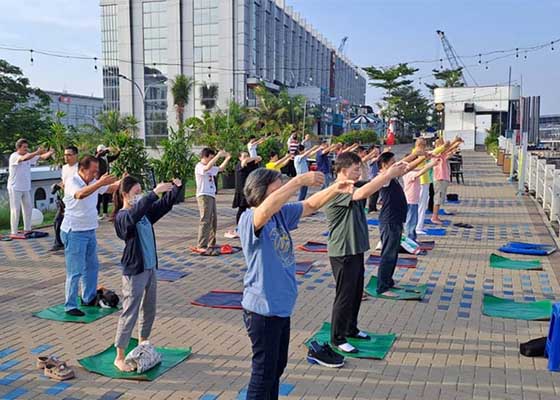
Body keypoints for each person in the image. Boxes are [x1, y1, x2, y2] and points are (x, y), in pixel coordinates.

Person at [239, 168, 355, 399]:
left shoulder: (280, 213)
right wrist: (298, 180)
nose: (284, 192)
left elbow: (310, 205)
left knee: (275, 370)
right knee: (263, 375)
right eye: (277, 187)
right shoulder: (249, 218)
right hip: (262, 310)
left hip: (281, 308)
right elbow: (264, 211)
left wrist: (335, 188)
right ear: (262, 191)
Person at [325, 152, 408, 353]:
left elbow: (372, 184)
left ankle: (351, 328)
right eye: (355, 169)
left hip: (356, 248)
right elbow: (362, 194)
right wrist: (388, 174)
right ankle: (337, 337)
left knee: (355, 293)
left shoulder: (354, 185)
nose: (358, 172)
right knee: (344, 295)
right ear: (343, 170)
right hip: (342, 250)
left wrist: (405, 163)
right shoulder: (335, 191)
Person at [112, 175, 182, 371]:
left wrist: (175, 189)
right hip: (135, 271)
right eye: (136, 192)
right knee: (130, 311)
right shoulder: (122, 217)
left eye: (140, 192)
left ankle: (144, 343)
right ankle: (119, 355)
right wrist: (153, 194)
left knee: (149, 308)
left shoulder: (143, 213)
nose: (139, 195)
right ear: (125, 195)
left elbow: (162, 206)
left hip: (150, 268)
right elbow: (132, 217)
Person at [61, 156, 120, 316]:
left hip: (89, 230)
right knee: (75, 271)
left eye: (97, 172)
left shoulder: (93, 182)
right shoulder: (72, 181)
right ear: (82, 169)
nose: (95, 174)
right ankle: (70, 305)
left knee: (92, 267)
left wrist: (121, 182)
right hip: (74, 232)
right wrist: (100, 182)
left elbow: (109, 189)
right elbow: (80, 195)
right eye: (93, 171)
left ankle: (88, 298)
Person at [376, 152, 424, 297]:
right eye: (393, 162)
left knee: (393, 253)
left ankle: (388, 281)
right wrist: (418, 155)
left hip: (396, 220)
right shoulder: (384, 178)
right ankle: (382, 288)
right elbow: (404, 166)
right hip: (389, 220)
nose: (396, 164)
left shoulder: (391, 176)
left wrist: (421, 156)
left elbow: (405, 166)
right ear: (385, 165)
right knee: (388, 254)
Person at [7, 139, 54, 236]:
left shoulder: (29, 156)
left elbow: (41, 157)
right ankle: (14, 232)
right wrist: (37, 151)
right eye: (24, 147)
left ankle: (27, 229)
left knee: (28, 208)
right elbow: (24, 158)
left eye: (26, 147)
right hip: (14, 187)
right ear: (18, 148)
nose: (26, 149)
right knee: (15, 209)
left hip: (26, 187)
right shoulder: (14, 156)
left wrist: (50, 152)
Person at [194, 148, 231, 255]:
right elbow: (207, 167)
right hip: (203, 195)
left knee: (213, 220)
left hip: (211, 195)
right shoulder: (200, 166)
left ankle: (211, 242)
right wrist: (218, 155)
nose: (212, 159)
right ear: (204, 157)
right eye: (210, 157)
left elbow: (220, 168)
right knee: (205, 219)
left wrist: (227, 158)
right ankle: (201, 244)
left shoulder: (209, 166)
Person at [225, 151, 262, 239]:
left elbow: (259, 158)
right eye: (244, 156)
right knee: (242, 210)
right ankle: (239, 229)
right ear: (239, 158)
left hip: (250, 191)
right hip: (241, 192)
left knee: (252, 210)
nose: (246, 158)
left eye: (247, 156)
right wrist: (249, 158)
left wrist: (252, 158)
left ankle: (250, 227)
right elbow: (244, 162)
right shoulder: (239, 165)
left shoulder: (250, 164)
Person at [50, 146, 79, 251]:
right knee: (57, 220)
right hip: (65, 199)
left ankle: (72, 243)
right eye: (65, 155)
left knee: (73, 224)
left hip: (76, 200)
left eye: (69, 155)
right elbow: (64, 182)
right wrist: (57, 185)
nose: (66, 157)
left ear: (76, 155)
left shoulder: (80, 168)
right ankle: (58, 243)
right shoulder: (65, 168)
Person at [431, 137, 463, 224]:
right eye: (442, 143)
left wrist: (457, 143)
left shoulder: (442, 153)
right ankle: (434, 217)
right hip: (439, 179)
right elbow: (448, 148)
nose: (444, 145)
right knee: (438, 198)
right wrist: (455, 141)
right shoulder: (436, 153)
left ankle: (435, 216)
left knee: (440, 198)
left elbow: (449, 149)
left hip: (443, 179)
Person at [95, 144, 120, 220]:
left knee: (105, 196)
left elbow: (114, 157)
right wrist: (107, 150)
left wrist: (118, 151)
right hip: (99, 179)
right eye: (101, 151)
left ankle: (105, 213)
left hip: (106, 179)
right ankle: (97, 213)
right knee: (98, 197)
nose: (103, 152)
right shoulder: (97, 158)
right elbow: (98, 154)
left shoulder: (105, 158)